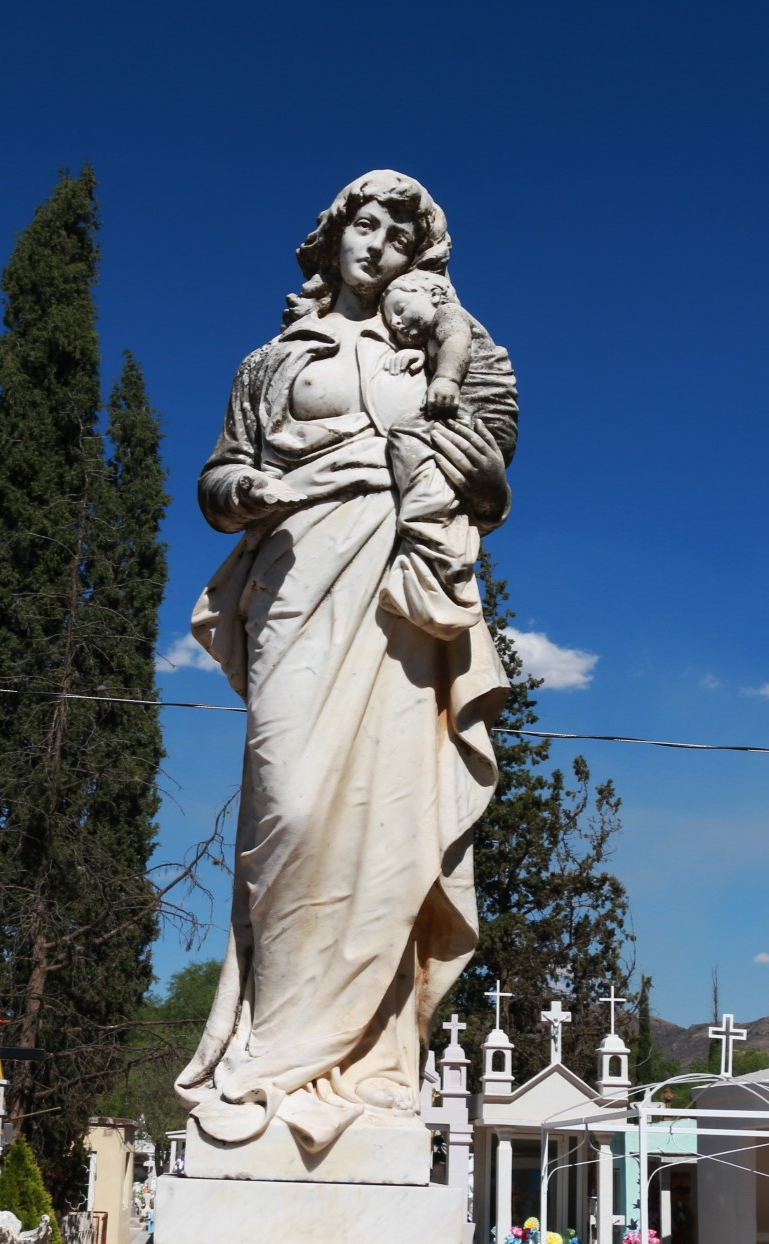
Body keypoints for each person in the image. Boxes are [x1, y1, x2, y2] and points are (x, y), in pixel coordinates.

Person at [174, 171, 518, 1155]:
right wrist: (243, 486)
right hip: (297, 573)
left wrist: (448, 447)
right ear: (331, 238)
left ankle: (361, 1062)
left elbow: (489, 467)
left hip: (405, 584)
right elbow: (218, 473)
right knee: (291, 799)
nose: (378, 244)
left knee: (385, 812)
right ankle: (272, 1036)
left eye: (398, 233)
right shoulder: (271, 360)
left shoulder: (435, 348)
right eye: (363, 224)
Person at [377, 270, 517, 637]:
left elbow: (454, 343)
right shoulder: (429, 336)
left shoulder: (451, 314)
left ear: (436, 296)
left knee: (408, 434)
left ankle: (431, 550)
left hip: (484, 420)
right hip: (485, 424)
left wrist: (445, 380)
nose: (397, 321)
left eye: (402, 308)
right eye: (391, 318)